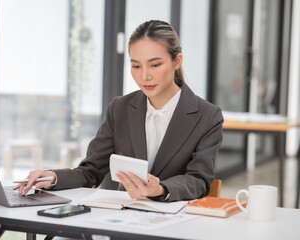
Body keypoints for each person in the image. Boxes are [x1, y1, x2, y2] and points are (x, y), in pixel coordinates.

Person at [14, 20, 223, 202]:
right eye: (136, 66)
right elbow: (90, 171)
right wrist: (52, 177)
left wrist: (161, 189)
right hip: (117, 219)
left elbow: (199, 179)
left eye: (155, 65)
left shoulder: (207, 116)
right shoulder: (120, 108)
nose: (144, 77)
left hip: (170, 224)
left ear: (177, 61)